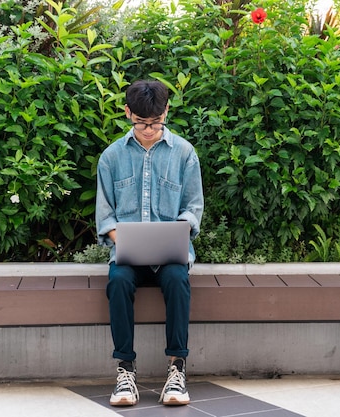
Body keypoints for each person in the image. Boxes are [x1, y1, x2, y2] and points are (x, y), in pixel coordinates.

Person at [95, 79, 204, 407]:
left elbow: (192, 208)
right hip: (128, 256)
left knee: (176, 280)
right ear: (128, 112)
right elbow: (105, 216)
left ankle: (177, 368)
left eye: (155, 122)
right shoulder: (111, 157)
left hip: (170, 255)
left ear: (166, 111)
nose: (148, 129)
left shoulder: (184, 153)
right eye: (141, 122)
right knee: (118, 281)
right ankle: (125, 369)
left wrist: (177, 232)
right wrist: (123, 239)